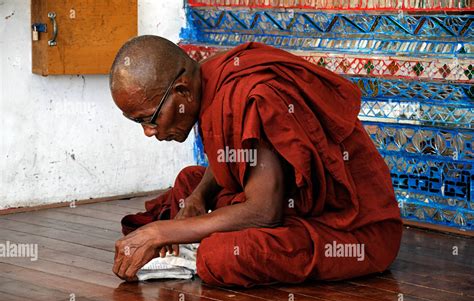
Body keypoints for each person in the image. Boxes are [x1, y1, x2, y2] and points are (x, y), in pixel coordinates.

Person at [109, 35, 403, 287]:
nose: (148, 131)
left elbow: (265, 212)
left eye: (149, 118)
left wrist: (162, 232)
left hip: (352, 231)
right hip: (286, 199)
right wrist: (199, 197)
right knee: (190, 183)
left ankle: (191, 249)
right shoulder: (210, 79)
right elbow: (237, 148)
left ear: (182, 91)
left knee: (222, 256)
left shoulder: (251, 94)